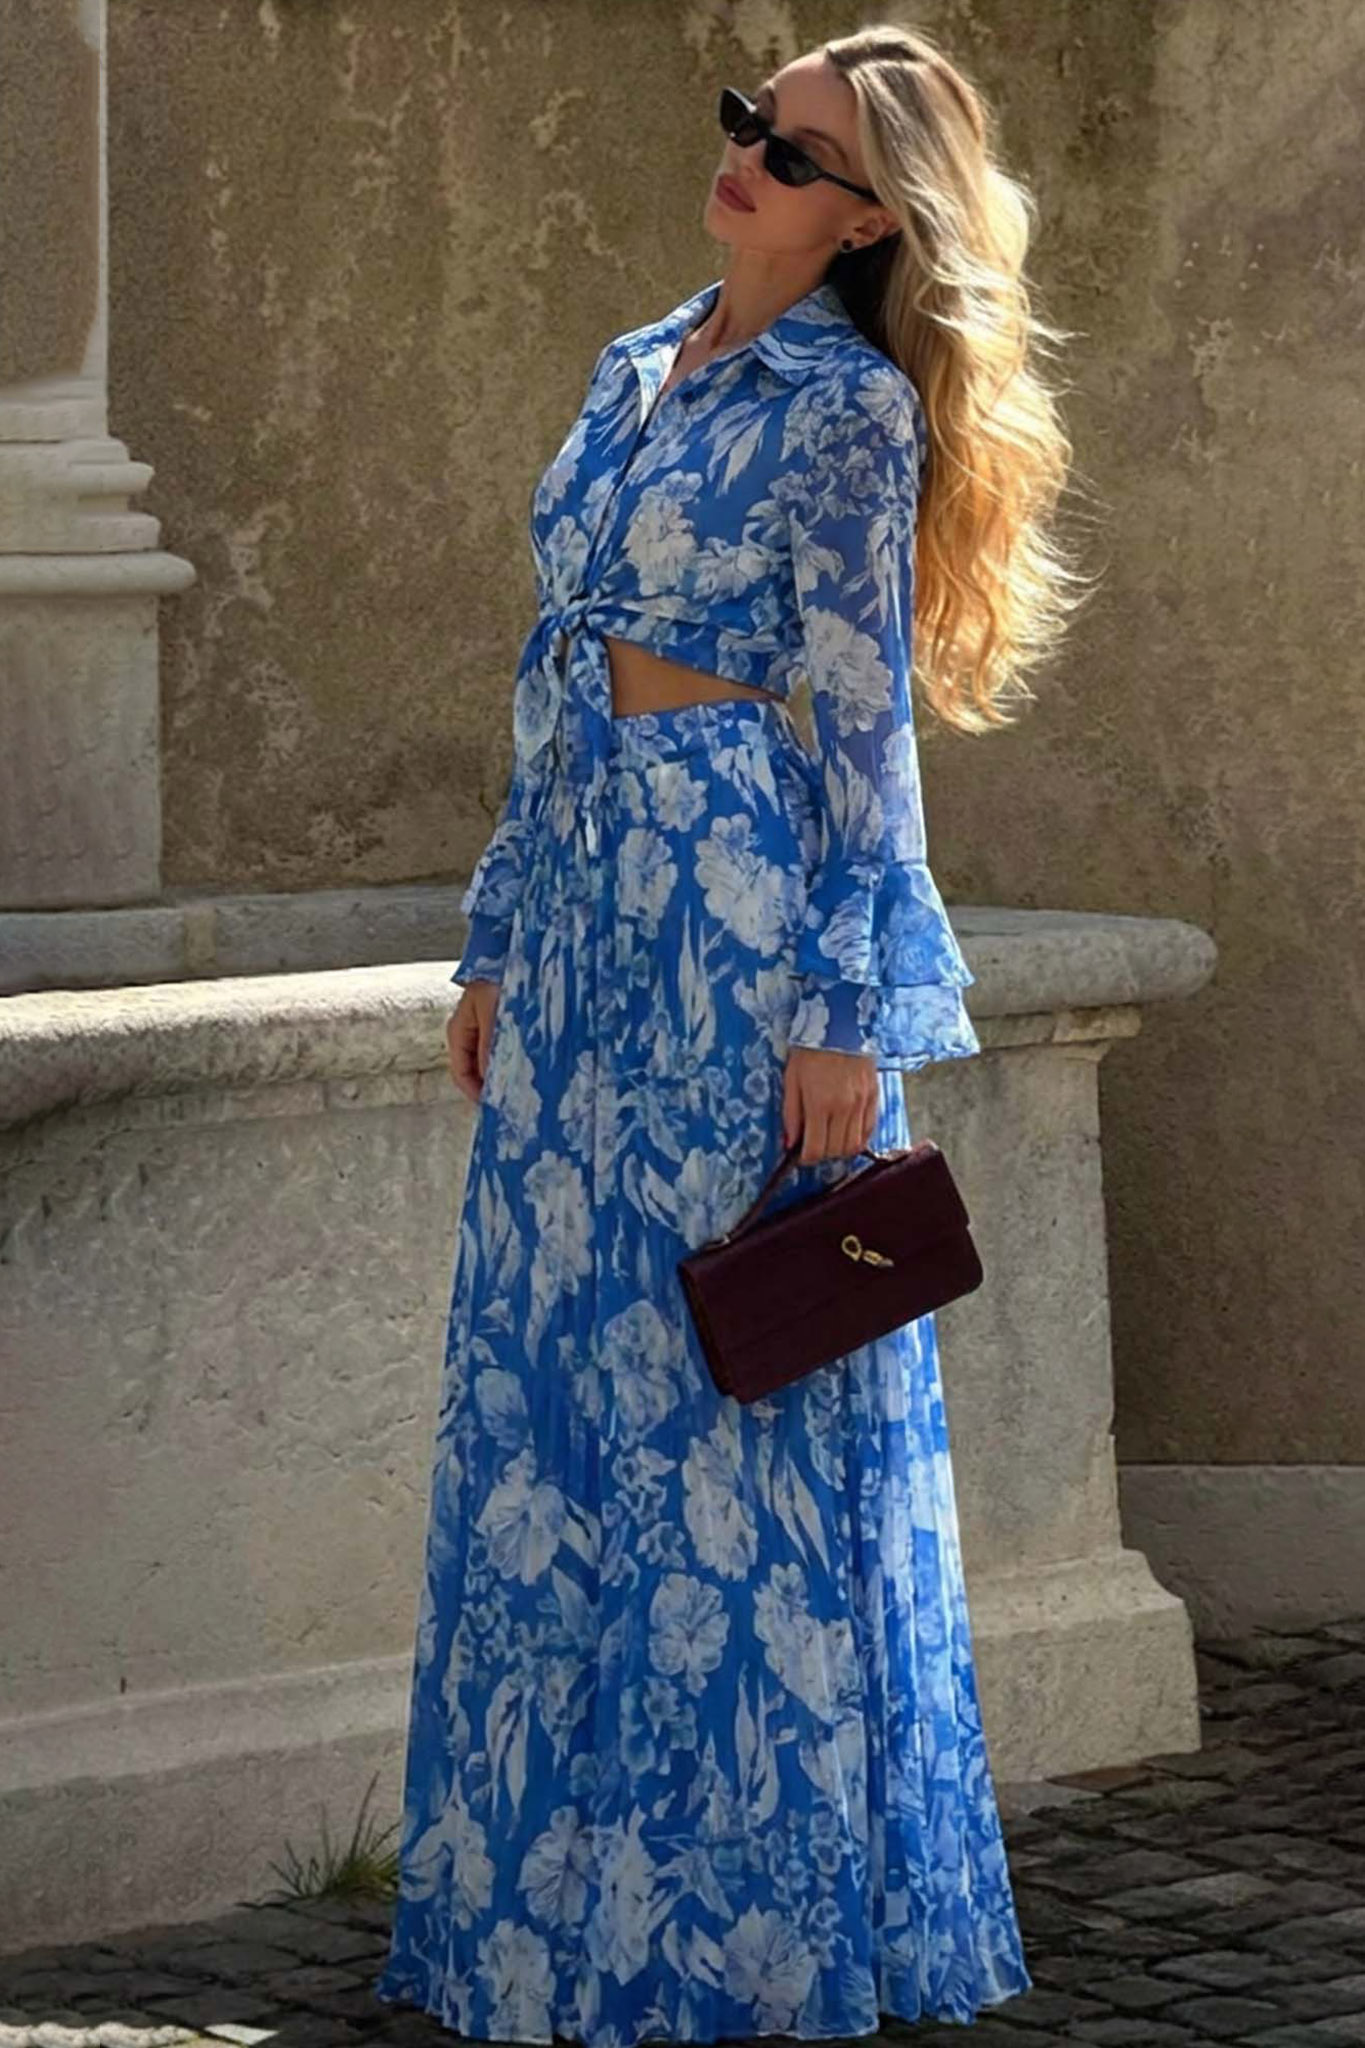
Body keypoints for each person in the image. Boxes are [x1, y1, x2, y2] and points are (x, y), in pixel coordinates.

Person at [377, 19, 1084, 2045]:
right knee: (549, 1416)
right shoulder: (631, 365)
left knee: (719, 1408)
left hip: (724, 931)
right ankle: (547, 1927)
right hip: (575, 931)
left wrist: (844, 1013)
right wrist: (493, 938)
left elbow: (860, 733)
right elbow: (549, 676)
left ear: (865, 219)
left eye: (793, 154)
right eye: (748, 127)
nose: (745, 163)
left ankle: (733, 1948)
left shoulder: (847, 412)